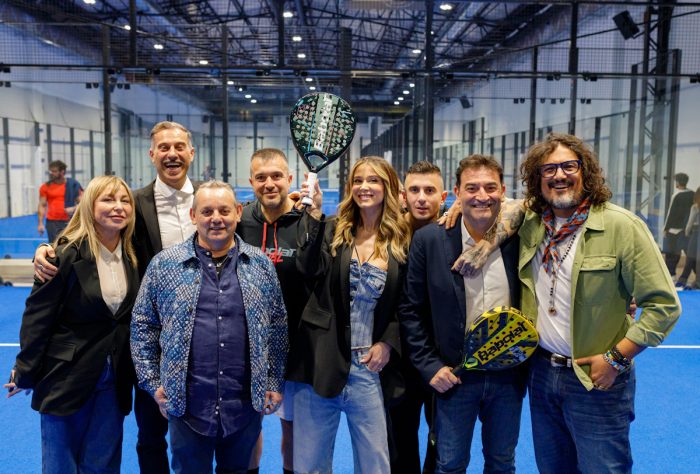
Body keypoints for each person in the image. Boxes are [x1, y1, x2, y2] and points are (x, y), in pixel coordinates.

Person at [33, 120, 200, 473]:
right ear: (152, 154)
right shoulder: (132, 203)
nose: (172, 154)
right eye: (164, 148)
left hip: (207, 336)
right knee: (150, 433)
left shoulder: (210, 199)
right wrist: (49, 248)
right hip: (149, 341)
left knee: (204, 433)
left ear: (191, 152)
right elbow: (93, 231)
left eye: (178, 147)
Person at [518, 132, 681, 473]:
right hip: (541, 374)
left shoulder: (622, 226)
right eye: (549, 169)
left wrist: (616, 358)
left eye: (569, 166)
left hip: (596, 379)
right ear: (537, 178)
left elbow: (664, 305)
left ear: (586, 171)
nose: (559, 175)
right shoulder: (532, 225)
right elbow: (489, 205)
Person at [130, 181, 288, 473]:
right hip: (187, 408)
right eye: (207, 211)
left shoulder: (260, 265)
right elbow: (143, 327)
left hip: (243, 408)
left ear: (238, 213)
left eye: (224, 211)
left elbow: (277, 327)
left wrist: (273, 382)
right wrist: (152, 383)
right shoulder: (164, 265)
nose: (216, 218)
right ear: (193, 216)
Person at [399, 155, 525, 473]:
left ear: (503, 191)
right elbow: (411, 311)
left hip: (507, 377)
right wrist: (431, 366)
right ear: (457, 193)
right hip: (455, 376)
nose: (482, 195)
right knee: (450, 465)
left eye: (490, 187)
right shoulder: (429, 240)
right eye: (471, 188)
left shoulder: (520, 237)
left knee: (502, 463)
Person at [6, 175, 139, 473]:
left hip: (115, 377)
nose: (118, 207)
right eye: (108, 199)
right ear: (89, 205)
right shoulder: (63, 254)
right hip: (66, 376)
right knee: (60, 465)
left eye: (125, 200)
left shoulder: (133, 256)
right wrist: (25, 369)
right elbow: (37, 316)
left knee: (103, 465)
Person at [289, 156, 410, 473]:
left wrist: (388, 342)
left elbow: (406, 304)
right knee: (310, 466)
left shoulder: (402, 240)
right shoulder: (334, 229)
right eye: (358, 180)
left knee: (375, 465)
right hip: (322, 360)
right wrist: (314, 214)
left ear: (388, 187)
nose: (364, 187)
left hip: (367, 369)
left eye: (373, 180)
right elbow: (307, 268)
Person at [237, 148, 311, 474]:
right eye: (261, 177)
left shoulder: (307, 220)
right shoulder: (239, 221)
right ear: (251, 181)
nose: (269, 183)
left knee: (291, 426)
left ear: (289, 179)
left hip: (295, 344)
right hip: (247, 343)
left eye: (277, 176)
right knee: (247, 426)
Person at [389, 160, 447, 474]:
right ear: (403, 195)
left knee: (442, 444)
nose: (422, 198)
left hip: (443, 359)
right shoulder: (389, 234)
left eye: (429, 190)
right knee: (400, 442)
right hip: (399, 359)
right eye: (414, 190)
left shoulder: (456, 231)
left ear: (444, 196)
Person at [38, 160, 83, 242]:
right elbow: (42, 205)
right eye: (50, 171)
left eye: (54, 171)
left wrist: (74, 208)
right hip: (52, 222)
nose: (51, 173)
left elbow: (83, 203)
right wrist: (40, 223)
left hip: (69, 221)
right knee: (54, 245)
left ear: (62, 172)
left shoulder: (72, 185)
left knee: (69, 245)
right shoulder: (45, 187)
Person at [662, 172, 694, 278]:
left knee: (672, 254)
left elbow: (671, 213)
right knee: (690, 254)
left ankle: (672, 276)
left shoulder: (676, 195)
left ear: (678, 182)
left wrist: (665, 228)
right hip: (687, 229)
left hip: (674, 229)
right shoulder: (692, 194)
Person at [676, 186, 700, 290]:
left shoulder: (695, 207)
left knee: (690, 258)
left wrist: (687, 232)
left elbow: (690, 222)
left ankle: (683, 280)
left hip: (696, 233)